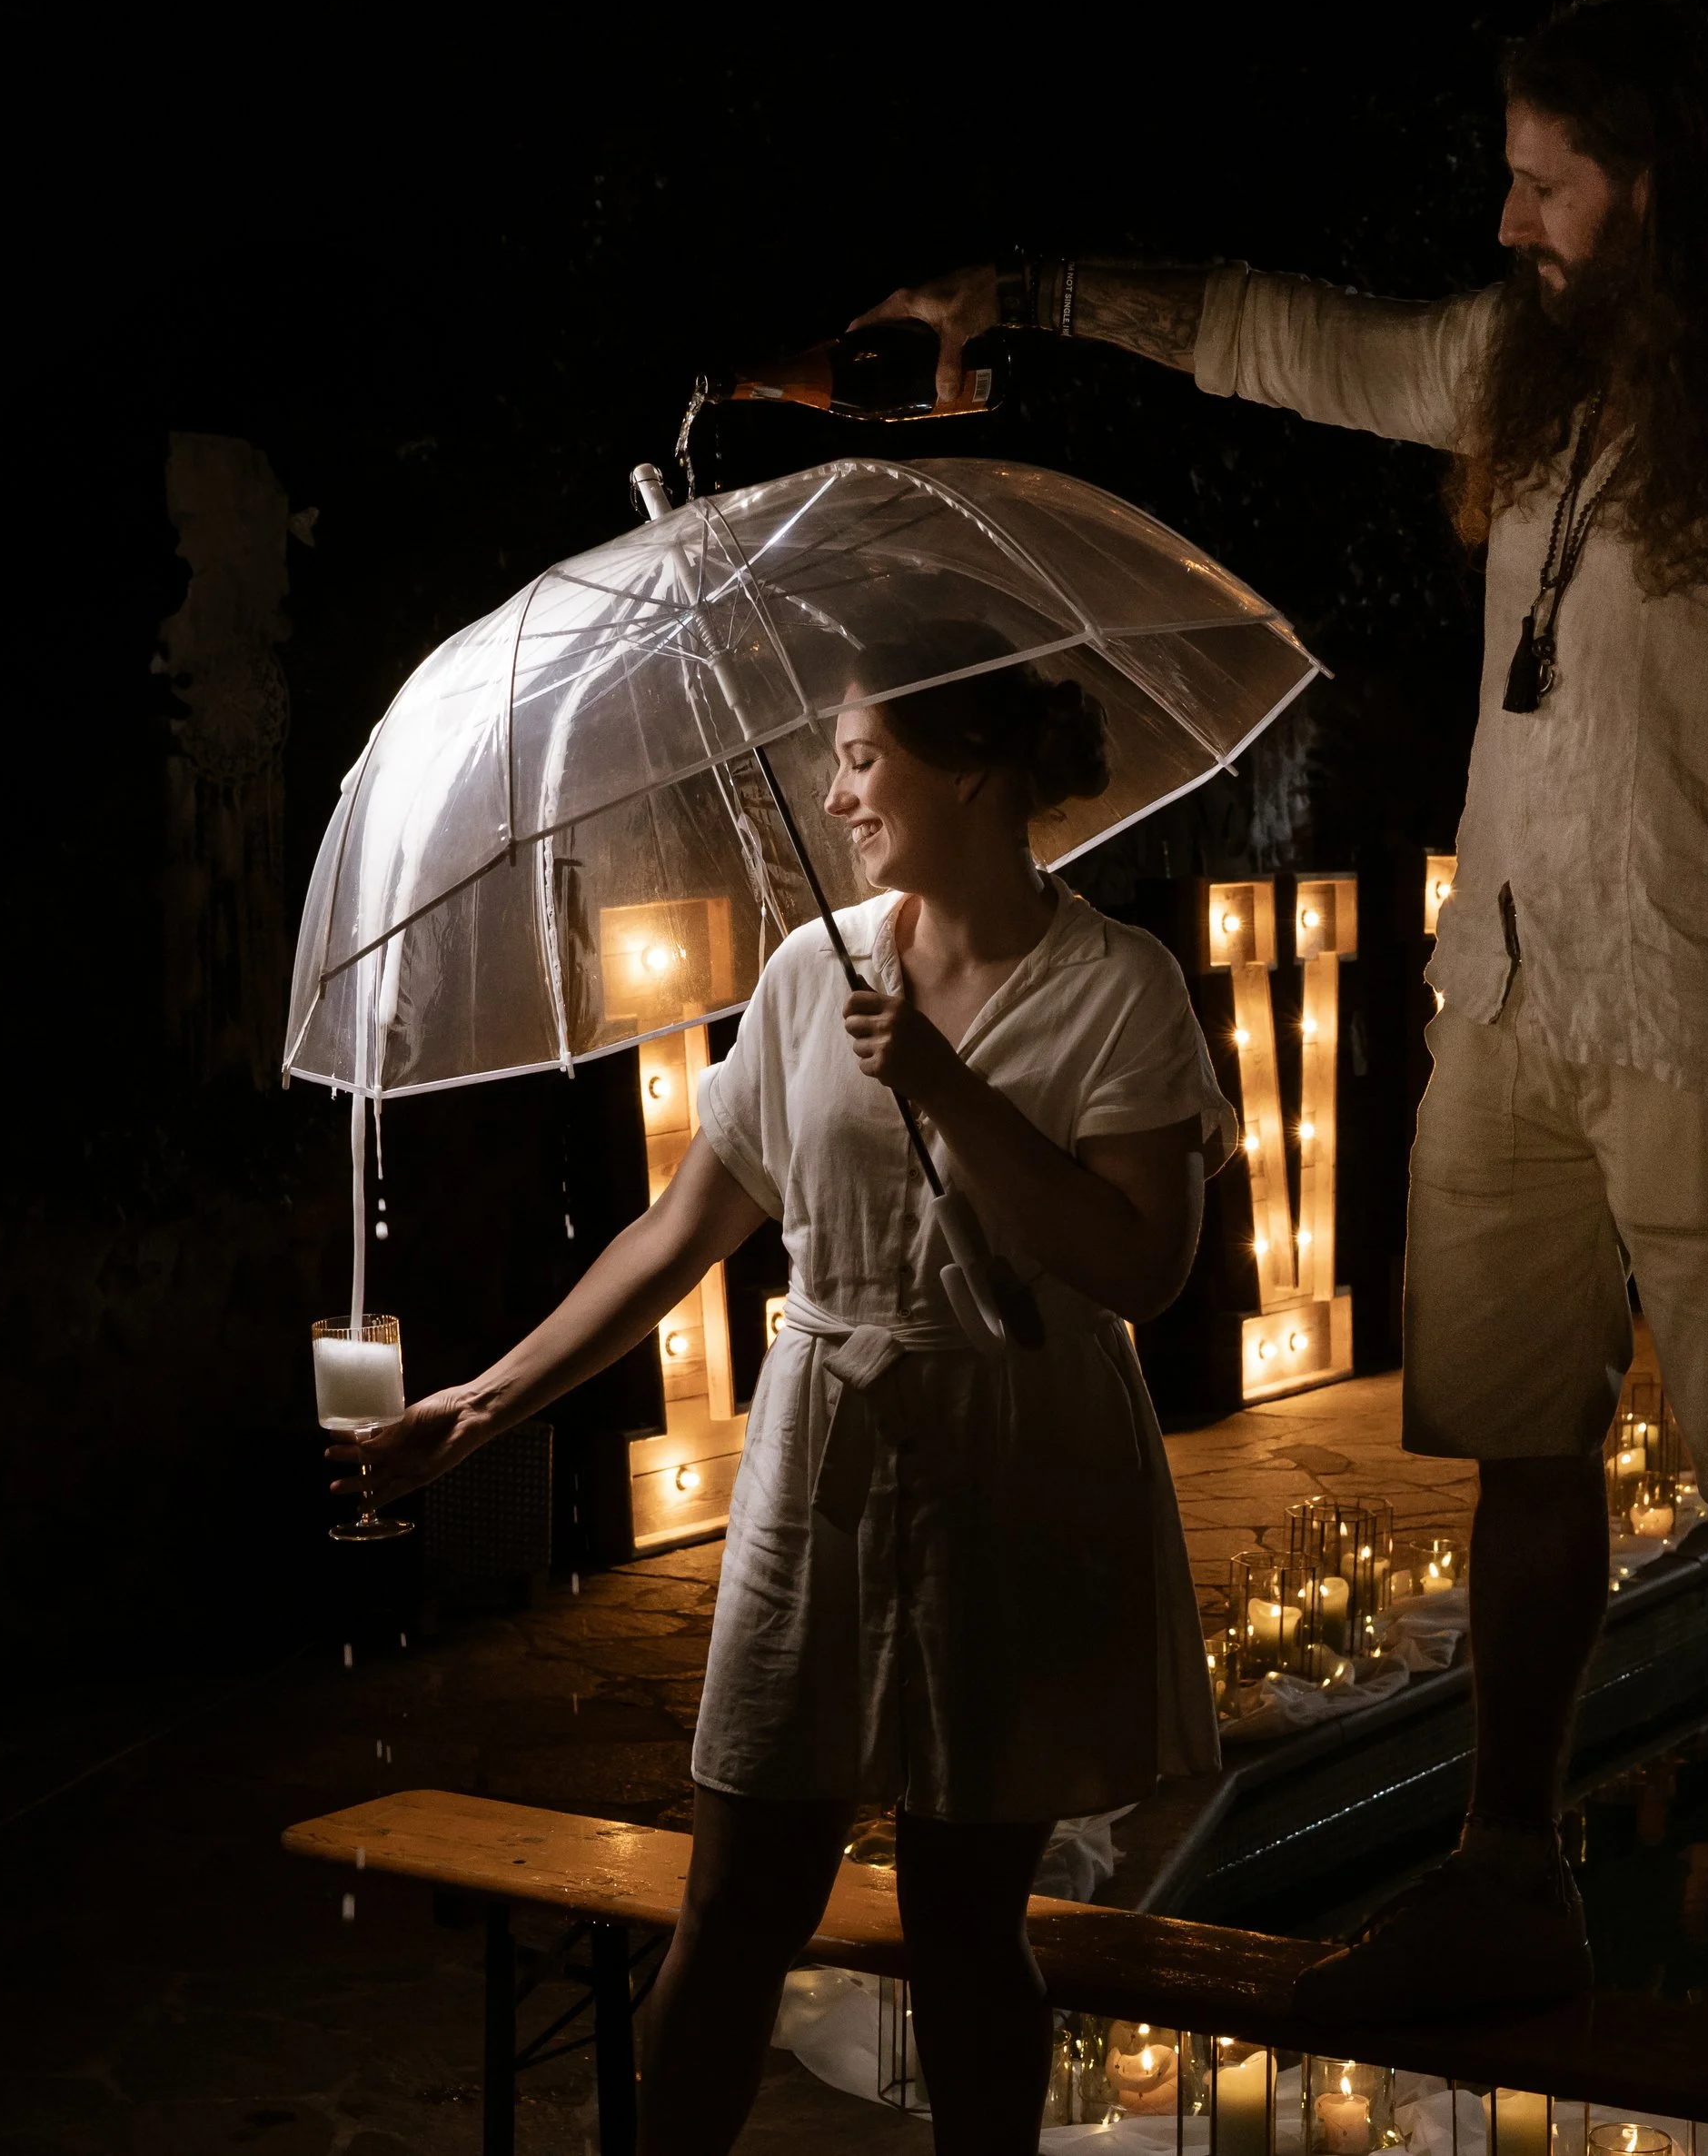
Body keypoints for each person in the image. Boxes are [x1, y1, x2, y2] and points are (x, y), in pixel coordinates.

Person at [858, 0, 1708, 2102]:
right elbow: (1272, 335)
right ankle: (1505, 1871)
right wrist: (1025, 295)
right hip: (1499, 1004)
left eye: (1543, 178)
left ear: (1657, 180)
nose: (1506, 217)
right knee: (1515, 1444)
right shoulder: (1532, 374)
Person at [335, 654, 1233, 2156]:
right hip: (823, 1451)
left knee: (963, 1926)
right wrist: (479, 1409)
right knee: (735, 1908)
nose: (833, 796)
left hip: (1017, 1458)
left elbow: (1142, 1267)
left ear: (970, 767)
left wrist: (949, 1089)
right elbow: (677, 1232)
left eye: (863, 759)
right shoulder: (815, 973)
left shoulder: (1114, 986)